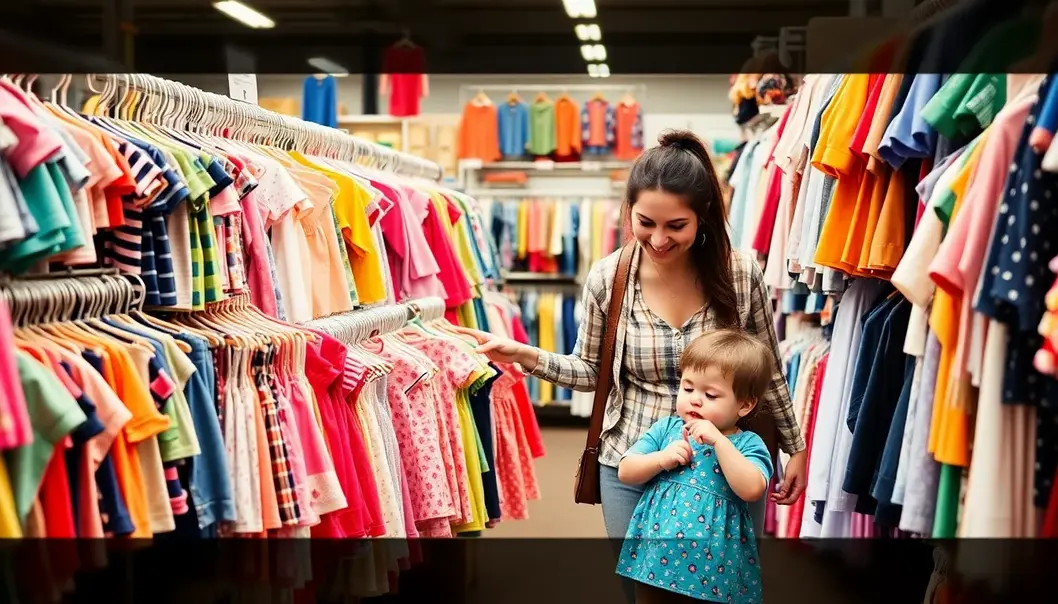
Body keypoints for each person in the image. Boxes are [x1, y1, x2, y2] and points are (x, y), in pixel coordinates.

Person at [459, 129, 807, 541]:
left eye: (676, 225)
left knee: (722, 586)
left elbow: (767, 372)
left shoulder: (739, 275)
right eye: (645, 223)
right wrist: (524, 355)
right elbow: (591, 371)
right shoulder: (610, 278)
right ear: (629, 212)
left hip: (725, 467)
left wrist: (794, 446)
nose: (658, 240)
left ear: (704, 214)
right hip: (633, 463)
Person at [615, 329, 774, 604]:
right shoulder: (667, 429)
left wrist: (721, 444)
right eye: (688, 388)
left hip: (714, 568)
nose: (695, 399)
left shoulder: (747, 444)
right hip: (655, 562)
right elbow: (626, 471)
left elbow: (752, 489)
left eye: (711, 395)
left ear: (745, 405)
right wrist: (660, 459)